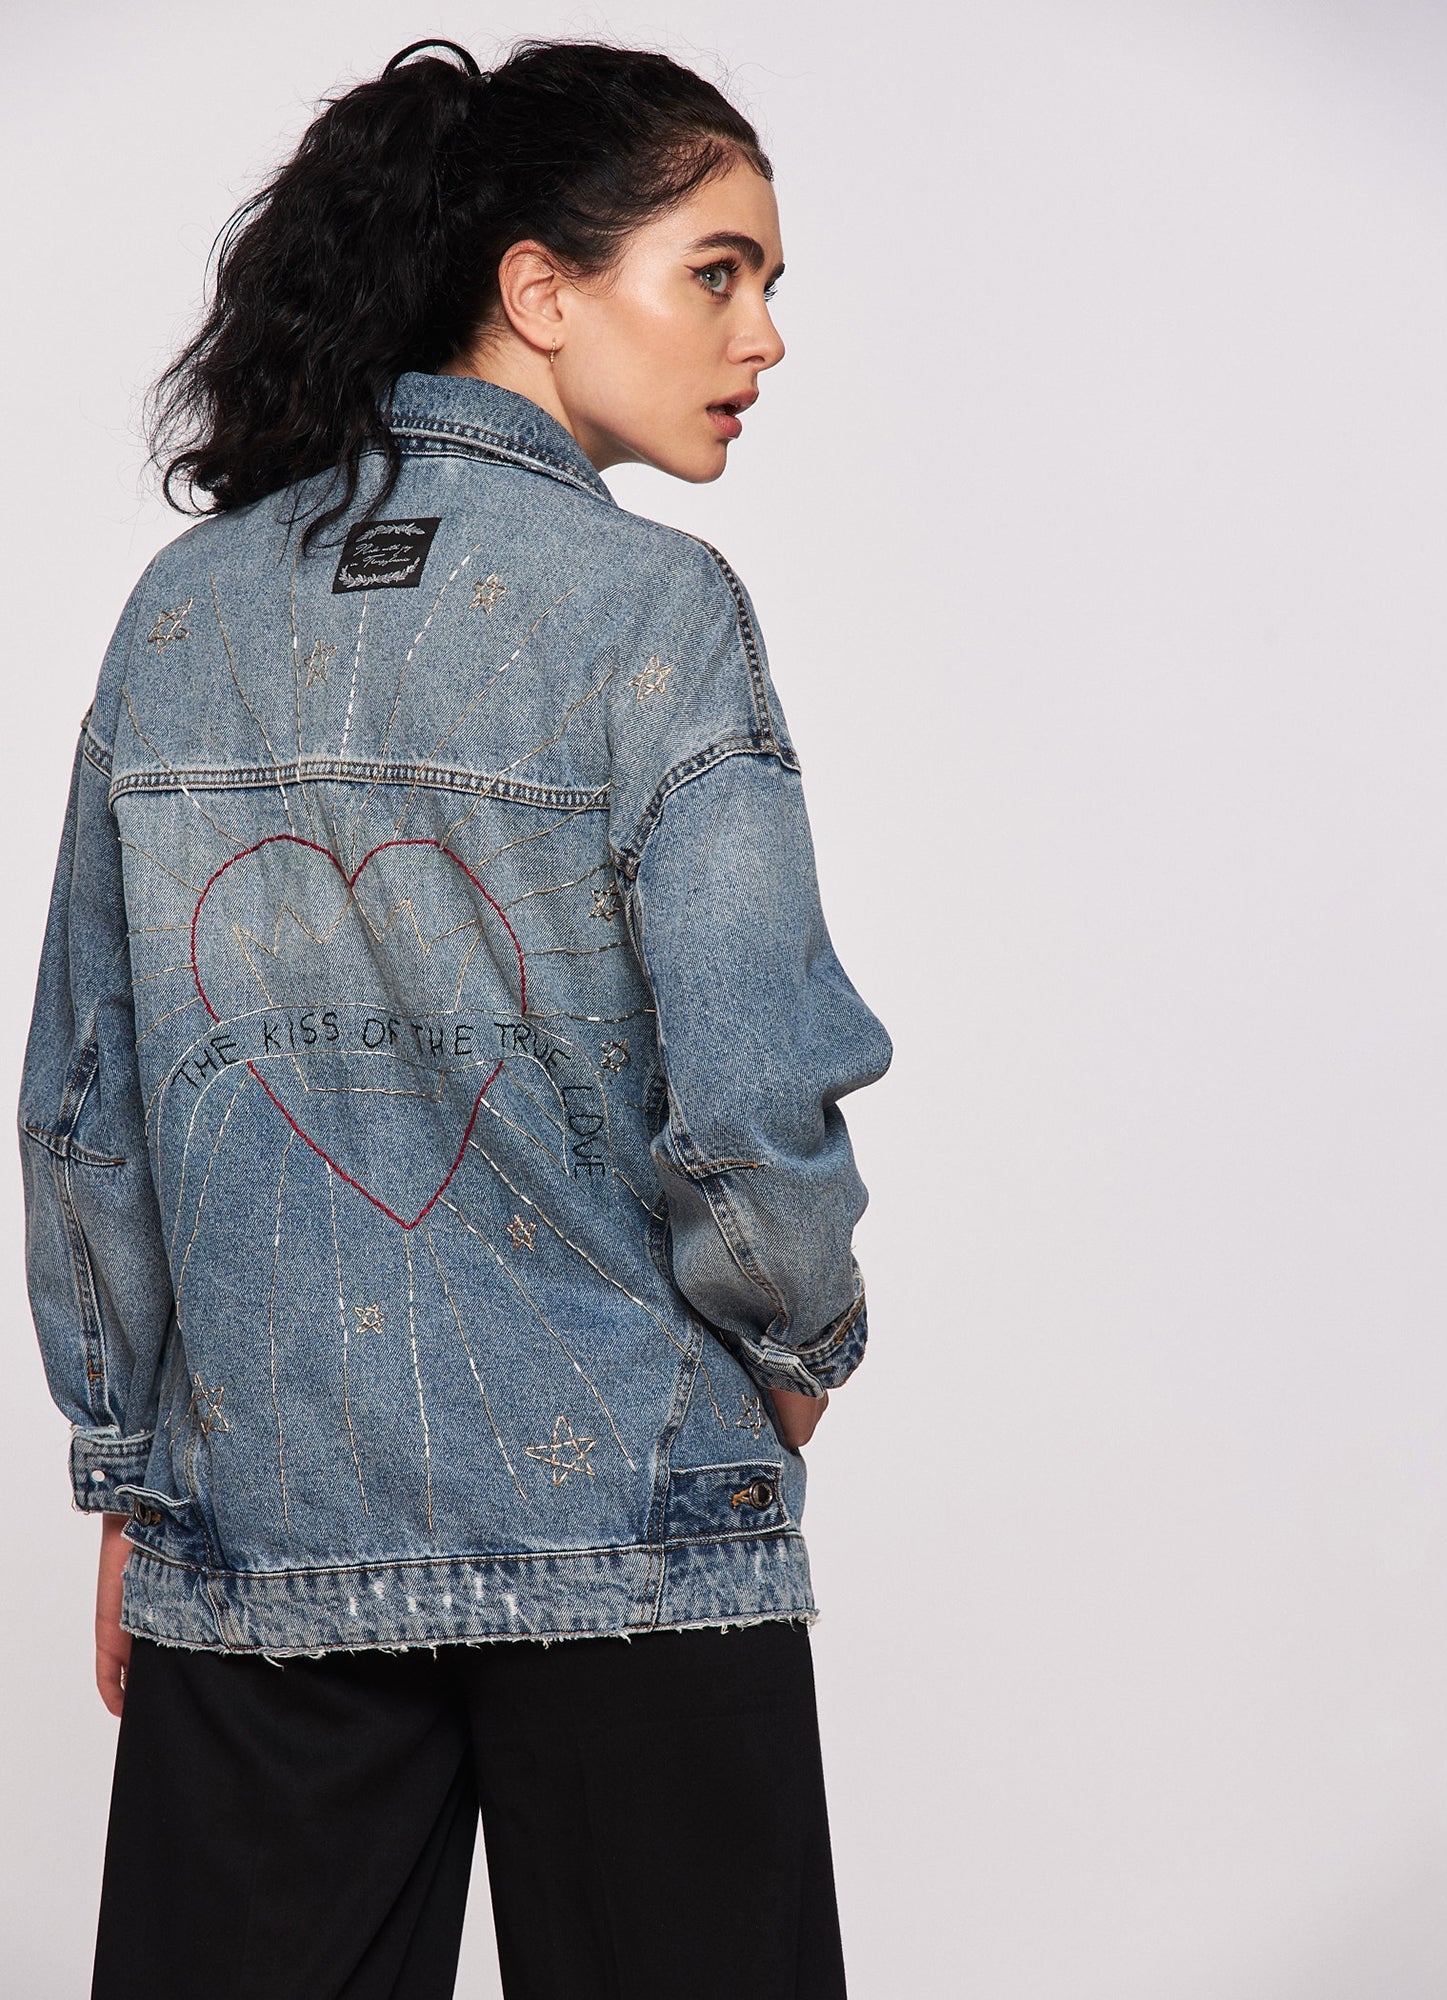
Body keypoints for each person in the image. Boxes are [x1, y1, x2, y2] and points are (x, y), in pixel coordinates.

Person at [18, 37, 891, 1998]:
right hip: (639, 1520)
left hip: (266, 1525)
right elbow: (750, 1081)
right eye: (718, 272)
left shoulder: (182, 614)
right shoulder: (656, 610)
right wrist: (792, 1338)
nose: (762, 336)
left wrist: (138, 1469)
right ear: (538, 288)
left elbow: (85, 1104)